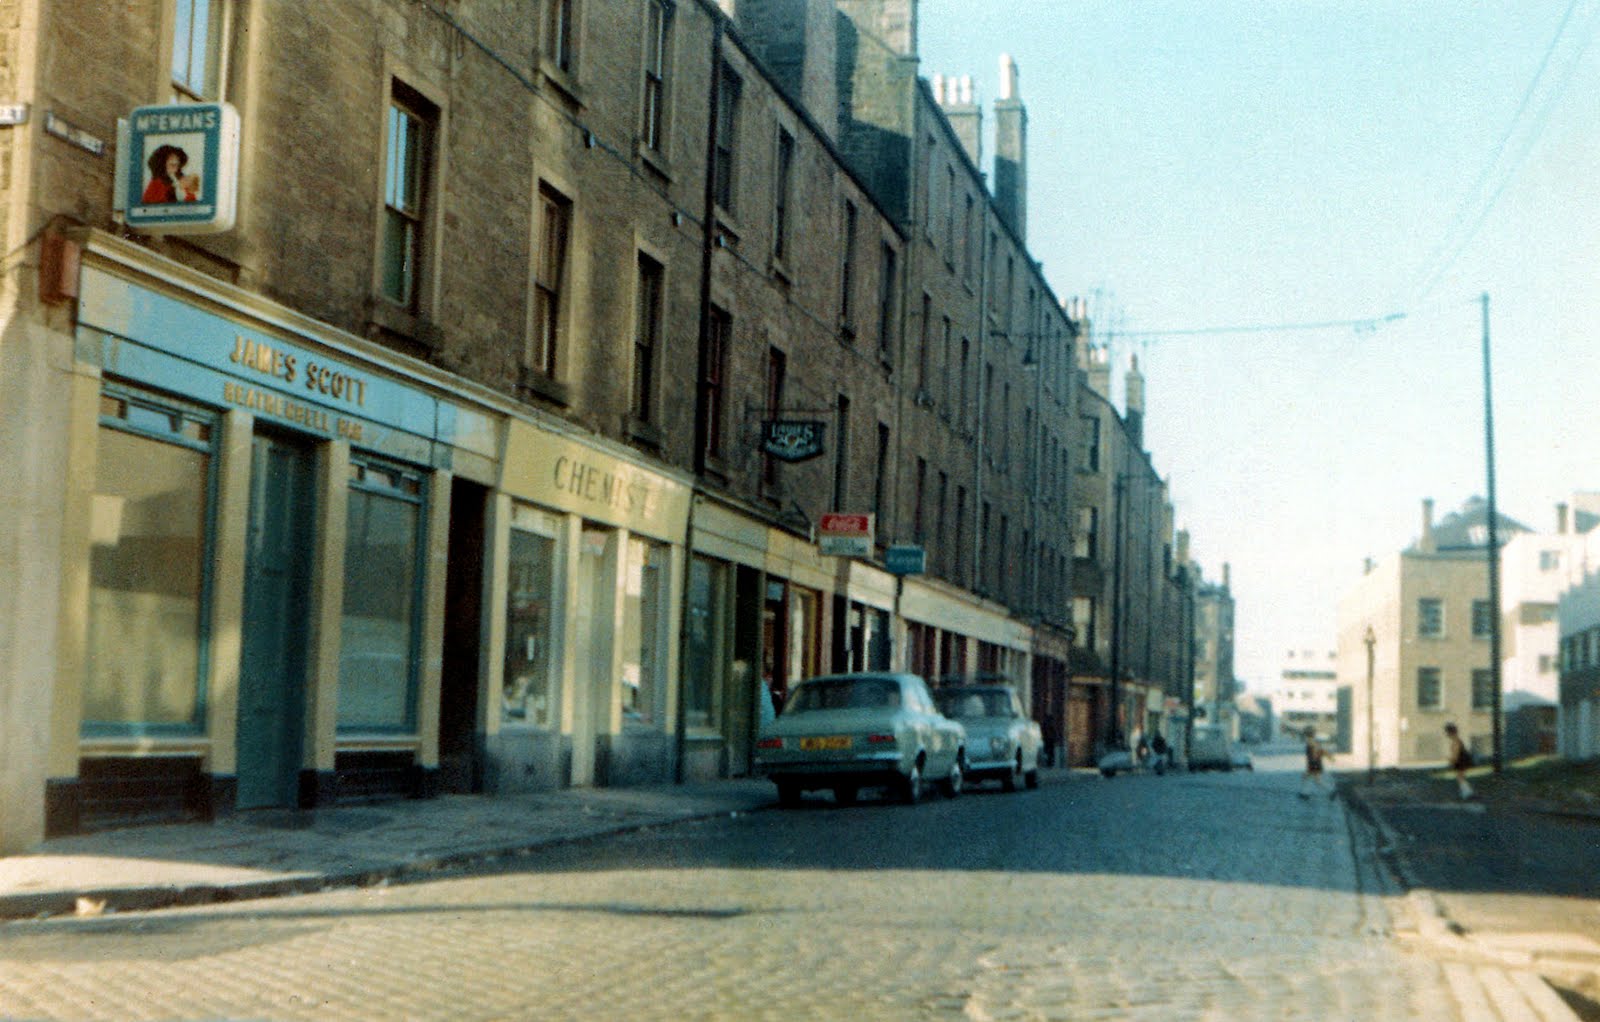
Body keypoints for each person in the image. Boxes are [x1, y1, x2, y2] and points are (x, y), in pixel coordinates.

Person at [1299, 728, 1333, 799]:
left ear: (1306, 735)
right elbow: (1321, 751)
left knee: (1306, 777)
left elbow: (1316, 752)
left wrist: (1312, 763)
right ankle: (1331, 791)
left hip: (1314, 763)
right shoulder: (1313, 742)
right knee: (1316, 781)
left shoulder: (1310, 742)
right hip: (1316, 763)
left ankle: (1305, 794)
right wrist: (1329, 756)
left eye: (1304, 734)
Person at [1445, 723, 1474, 800]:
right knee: (1460, 777)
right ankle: (1467, 792)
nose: (1446, 734)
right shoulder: (1457, 740)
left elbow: (1455, 754)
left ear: (1450, 732)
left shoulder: (1455, 742)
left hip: (1461, 761)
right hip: (1461, 760)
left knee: (1460, 778)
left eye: (1447, 732)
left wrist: (1451, 761)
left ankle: (1467, 793)